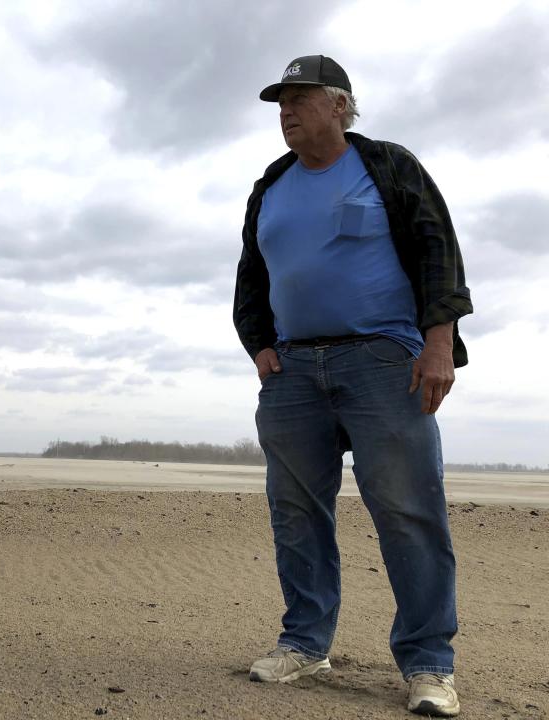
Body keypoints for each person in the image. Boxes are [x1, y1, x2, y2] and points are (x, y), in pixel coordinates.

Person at [233, 55, 472, 717]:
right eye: (280, 100)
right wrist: (260, 348)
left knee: (407, 511)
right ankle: (305, 642)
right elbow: (251, 279)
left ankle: (428, 664)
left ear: (340, 105)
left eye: (300, 98)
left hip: (384, 363)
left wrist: (438, 345)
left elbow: (437, 250)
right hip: (292, 375)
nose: (286, 110)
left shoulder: (388, 166)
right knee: (296, 514)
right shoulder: (271, 186)